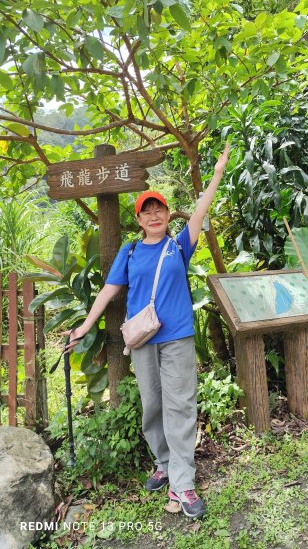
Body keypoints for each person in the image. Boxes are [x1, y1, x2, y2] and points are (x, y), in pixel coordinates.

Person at [63, 142, 229, 519]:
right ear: (138, 220)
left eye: (159, 209)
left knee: (180, 406)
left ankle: (182, 484)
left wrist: (217, 173)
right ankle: (164, 462)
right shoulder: (131, 252)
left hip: (177, 339)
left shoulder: (178, 246)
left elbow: (200, 211)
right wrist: (83, 326)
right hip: (141, 339)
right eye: (146, 210)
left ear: (168, 215)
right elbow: (109, 290)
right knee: (152, 406)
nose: (154, 214)